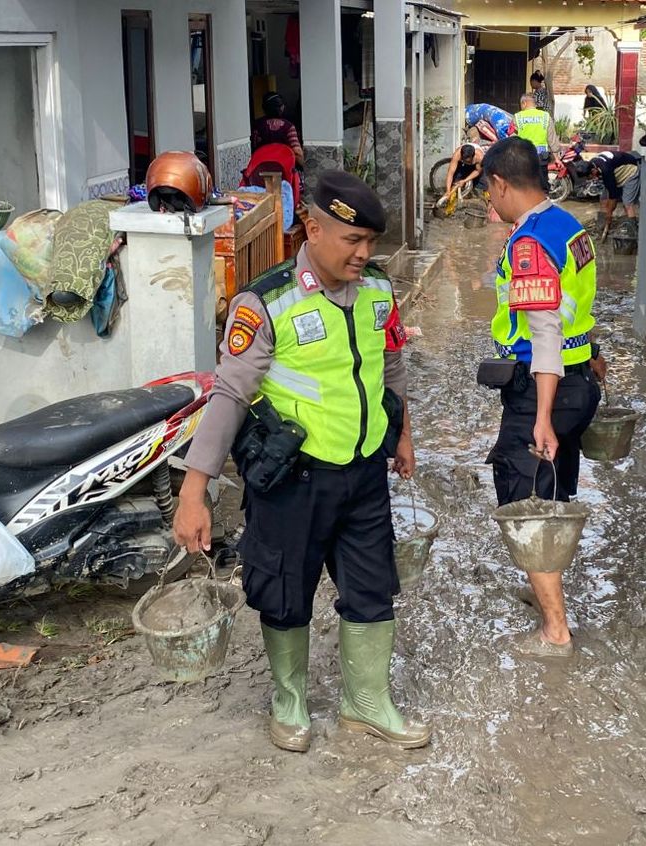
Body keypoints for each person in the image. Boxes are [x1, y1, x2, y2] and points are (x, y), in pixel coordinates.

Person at [173, 171, 431, 753]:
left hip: (364, 473)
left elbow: (389, 367)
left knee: (371, 589)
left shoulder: (377, 292)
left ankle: (366, 702)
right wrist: (194, 492)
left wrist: (403, 436)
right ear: (312, 228)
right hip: (295, 478)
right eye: (351, 240)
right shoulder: (266, 302)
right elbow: (230, 396)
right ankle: (289, 699)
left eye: (371, 242)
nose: (364, 253)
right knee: (285, 591)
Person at [479, 137, 605, 658]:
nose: (490, 201)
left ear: (502, 183)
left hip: (542, 388)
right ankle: (545, 597)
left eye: (489, 190)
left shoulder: (529, 244)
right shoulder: (570, 227)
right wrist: (593, 357)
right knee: (552, 491)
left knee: (525, 500)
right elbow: (578, 309)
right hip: (578, 381)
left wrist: (542, 417)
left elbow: (547, 331)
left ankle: (555, 631)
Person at [514, 94, 561, 194]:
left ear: (524, 103)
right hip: (541, 157)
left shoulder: (518, 117)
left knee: (524, 185)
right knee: (542, 185)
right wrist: (556, 158)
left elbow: (512, 138)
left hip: (524, 156)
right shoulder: (545, 116)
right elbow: (552, 139)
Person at [589, 150, 642, 234]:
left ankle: (632, 232)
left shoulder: (605, 170)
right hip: (616, 173)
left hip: (630, 172)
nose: (593, 178)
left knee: (627, 204)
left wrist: (609, 213)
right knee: (603, 199)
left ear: (593, 170)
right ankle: (602, 226)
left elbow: (613, 196)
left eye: (592, 176)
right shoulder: (593, 163)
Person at [251, 93, 306, 168]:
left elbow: (254, 148)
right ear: (281, 108)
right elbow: (297, 152)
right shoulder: (288, 127)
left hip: (261, 169)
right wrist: (305, 167)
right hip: (285, 169)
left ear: (264, 108)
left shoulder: (257, 125)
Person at [439, 141, 484, 206]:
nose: (465, 160)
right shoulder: (457, 154)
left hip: (476, 168)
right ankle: (451, 204)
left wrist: (465, 180)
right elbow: (450, 173)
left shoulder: (480, 157)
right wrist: (448, 190)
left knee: (481, 187)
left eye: (467, 160)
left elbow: (478, 171)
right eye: (464, 159)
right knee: (455, 183)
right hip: (462, 165)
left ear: (473, 156)